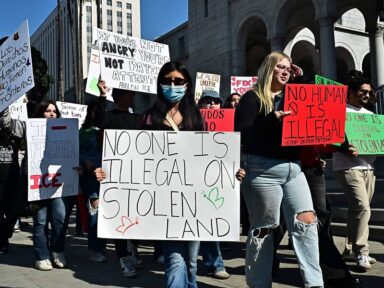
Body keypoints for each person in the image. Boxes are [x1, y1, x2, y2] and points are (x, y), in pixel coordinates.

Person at [235, 51, 323, 288]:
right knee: (264, 230)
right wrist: (271, 120)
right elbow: (243, 135)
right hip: (261, 171)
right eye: (280, 67)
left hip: (294, 169)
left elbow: (312, 100)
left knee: (307, 221)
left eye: (289, 68)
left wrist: (301, 78)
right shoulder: (251, 98)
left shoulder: (290, 97)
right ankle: (259, 283)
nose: (285, 71)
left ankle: (315, 284)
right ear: (268, 68)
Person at [94, 81, 143, 277]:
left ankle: (134, 248)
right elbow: (99, 120)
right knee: (120, 219)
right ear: (120, 96)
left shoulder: (139, 119)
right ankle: (124, 258)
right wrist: (102, 96)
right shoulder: (110, 118)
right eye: (129, 92)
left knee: (139, 215)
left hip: (138, 175)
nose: (132, 95)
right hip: (116, 177)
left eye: (132, 92)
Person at [333, 75, 378, 272]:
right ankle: (362, 251)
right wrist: (344, 147)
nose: (367, 95)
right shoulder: (339, 112)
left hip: (369, 168)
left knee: (357, 209)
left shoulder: (370, 115)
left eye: (369, 92)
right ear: (351, 92)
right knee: (363, 207)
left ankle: (350, 248)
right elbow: (331, 139)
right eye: (363, 91)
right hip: (347, 167)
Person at [30, 100, 69, 271]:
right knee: (40, 221)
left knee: (60, 218)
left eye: (54, 111)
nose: (52, 114)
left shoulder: (64, 133)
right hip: (38, 185)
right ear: (40, 113)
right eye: (48, 110)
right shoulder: (31, 131)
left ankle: (58, 251)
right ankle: (42, 256)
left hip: (57, 183)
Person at [197, 90, 230, 280]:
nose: (211, 105)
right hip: (191, 179)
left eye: (215, 102)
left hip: (217, 182)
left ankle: (215, 264)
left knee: (212, 224)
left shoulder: (227, 126)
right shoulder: (190, 124)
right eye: (207, 101)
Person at [79, 102, 106, 262]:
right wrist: (86, 162)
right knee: (95, 210)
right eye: (95, 112)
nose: (98, 115)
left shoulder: (109, 130)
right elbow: (75, 152)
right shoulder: (83, 132)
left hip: (109, 177)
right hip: (90, 177)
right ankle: (95, 248)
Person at [0, 108, 25, 254]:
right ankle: (2, 241)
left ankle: (5, 235)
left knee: (12, 212)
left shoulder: (16, 128)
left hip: (12, 178)